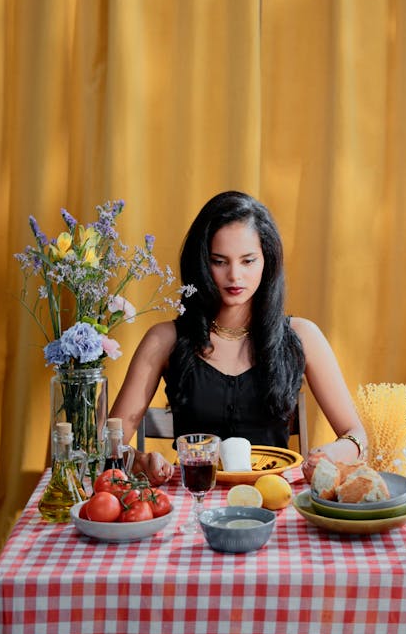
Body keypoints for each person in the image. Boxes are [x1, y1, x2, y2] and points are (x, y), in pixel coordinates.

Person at [109, 191, 367, 485]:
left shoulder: (302, 336)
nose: (235, 276)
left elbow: (356, 435)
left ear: (267, 261)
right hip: (192, 502)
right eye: (219, 261)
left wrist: (334, 451)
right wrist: (142, 460)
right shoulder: (164, 339)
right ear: (201, 263)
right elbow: (109, 444)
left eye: (248, 261)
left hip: (272, 504)